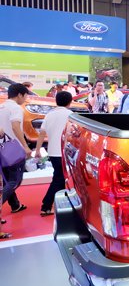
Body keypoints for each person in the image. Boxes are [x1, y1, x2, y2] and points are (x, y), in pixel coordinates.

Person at [34, 91, 73, 216]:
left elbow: (42, 133)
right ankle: (46, 205)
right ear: (70, 102)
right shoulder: (71, 115)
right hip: (63, 152)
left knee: (59, 178)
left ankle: (60, 204)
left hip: (52, 151)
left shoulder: (49, 115)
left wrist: (38, 150)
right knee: (59, 178)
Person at [0, 83, 31, 215]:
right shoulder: (16, 108)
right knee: (15, 181)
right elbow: (15, 126)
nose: (25, 99)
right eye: (25, 96)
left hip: (2, 148)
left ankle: (15, 205)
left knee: (7, 180)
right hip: (13, 150)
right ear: (19, 95)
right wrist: (25, 146)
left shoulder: (1, 107)